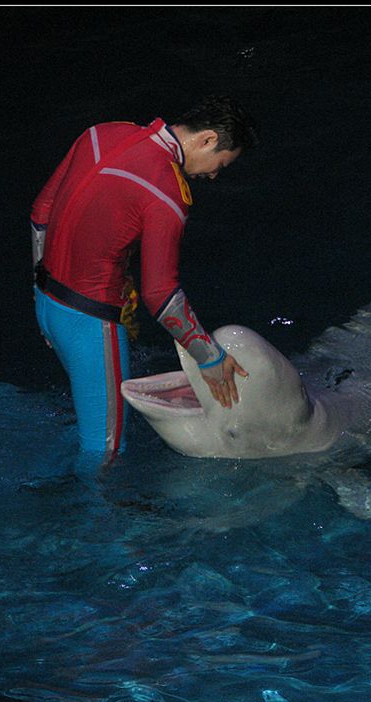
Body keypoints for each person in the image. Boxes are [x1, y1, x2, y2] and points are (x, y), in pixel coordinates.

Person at [30, 95, 258, 461]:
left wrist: (39, 289)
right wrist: (209, 357)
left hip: (46, 306)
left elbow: (41, 212)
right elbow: (160, 293)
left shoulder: (100, 132)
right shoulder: (168, 193)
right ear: (208, 139)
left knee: (89, 426)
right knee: (106, 452)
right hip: (90, 326)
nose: (213, 175)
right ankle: (92, 519)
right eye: (221, 165)